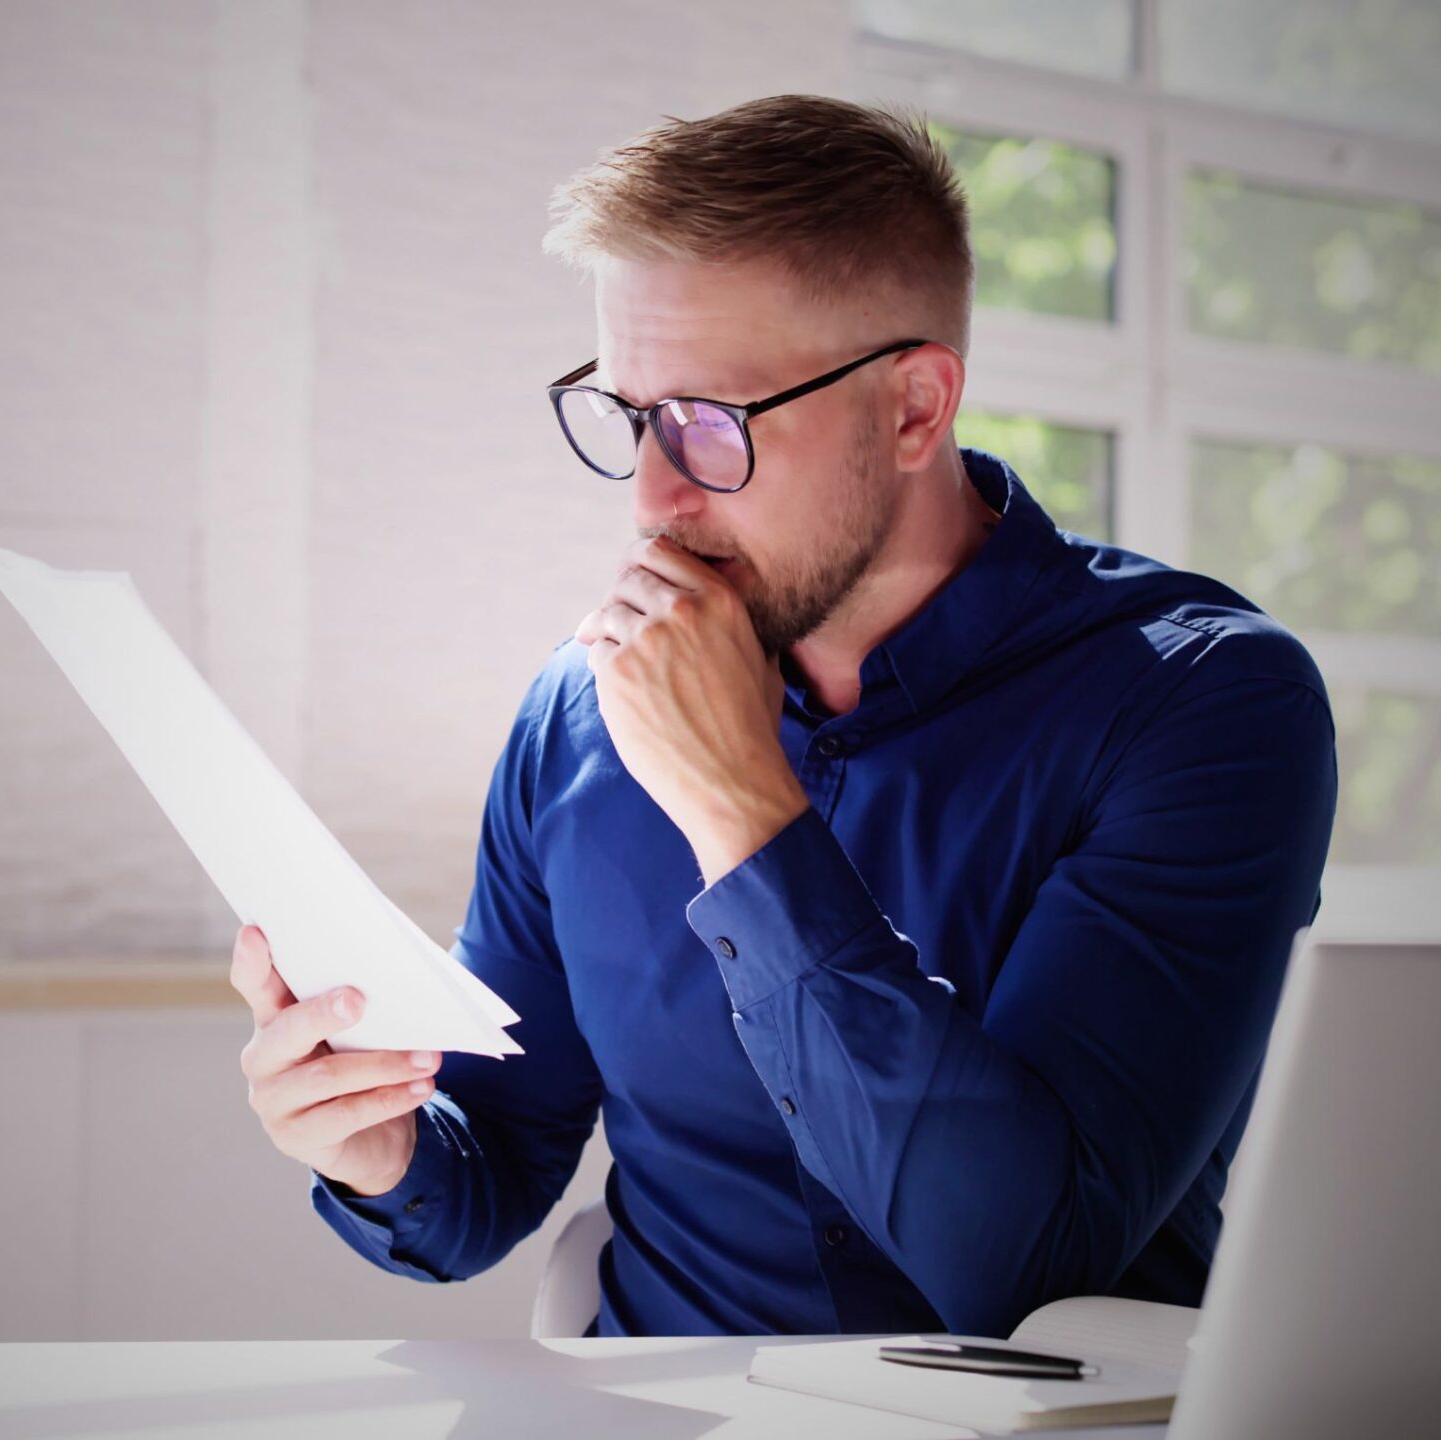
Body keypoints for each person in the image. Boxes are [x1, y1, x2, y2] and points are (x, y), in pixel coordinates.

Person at [229, 94, 1338, 1338]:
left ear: (916, 408)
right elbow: (487, 1167)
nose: (651, 495)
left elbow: (1027, 1268)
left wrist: (737, 808)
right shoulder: (576, 714)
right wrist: (380, 1148)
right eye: (629, 414)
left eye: (710, 423)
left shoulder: (1200, 703)